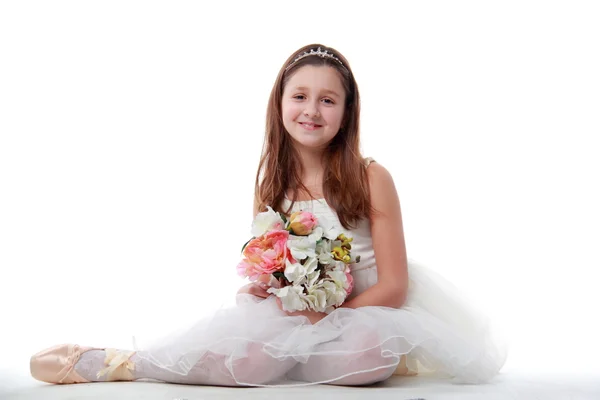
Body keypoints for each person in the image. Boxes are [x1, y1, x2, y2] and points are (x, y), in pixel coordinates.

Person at [29, 43, 507, 387]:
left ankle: (293, 360)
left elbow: (394, 285)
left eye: (327, 99)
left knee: (365, 356)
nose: (311, 110)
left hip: (367, 310)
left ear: (346, 111)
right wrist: (267, 289)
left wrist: (328, 319)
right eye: (299, 96)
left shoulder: (370, 176)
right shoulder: (272, 185)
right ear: (280, 104)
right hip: (302, 313)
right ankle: (126, 362)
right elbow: (276, 267)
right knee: (251, 358)